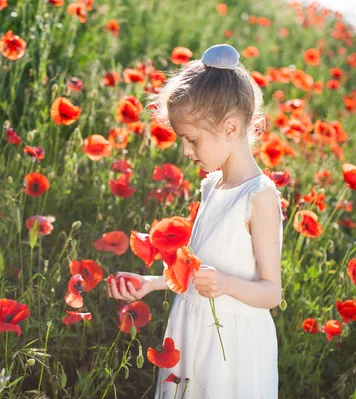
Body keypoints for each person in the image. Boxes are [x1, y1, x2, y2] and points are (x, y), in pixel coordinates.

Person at [107, 43, 285, 398]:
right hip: (192, 329)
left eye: (192, 139)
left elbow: (272, 293)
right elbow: (196, 273)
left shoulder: (259, 197)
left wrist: (227, 284)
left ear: (230, 128)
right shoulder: (213, 186)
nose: (186, 151)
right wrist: (151, 283)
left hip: (231, 347)